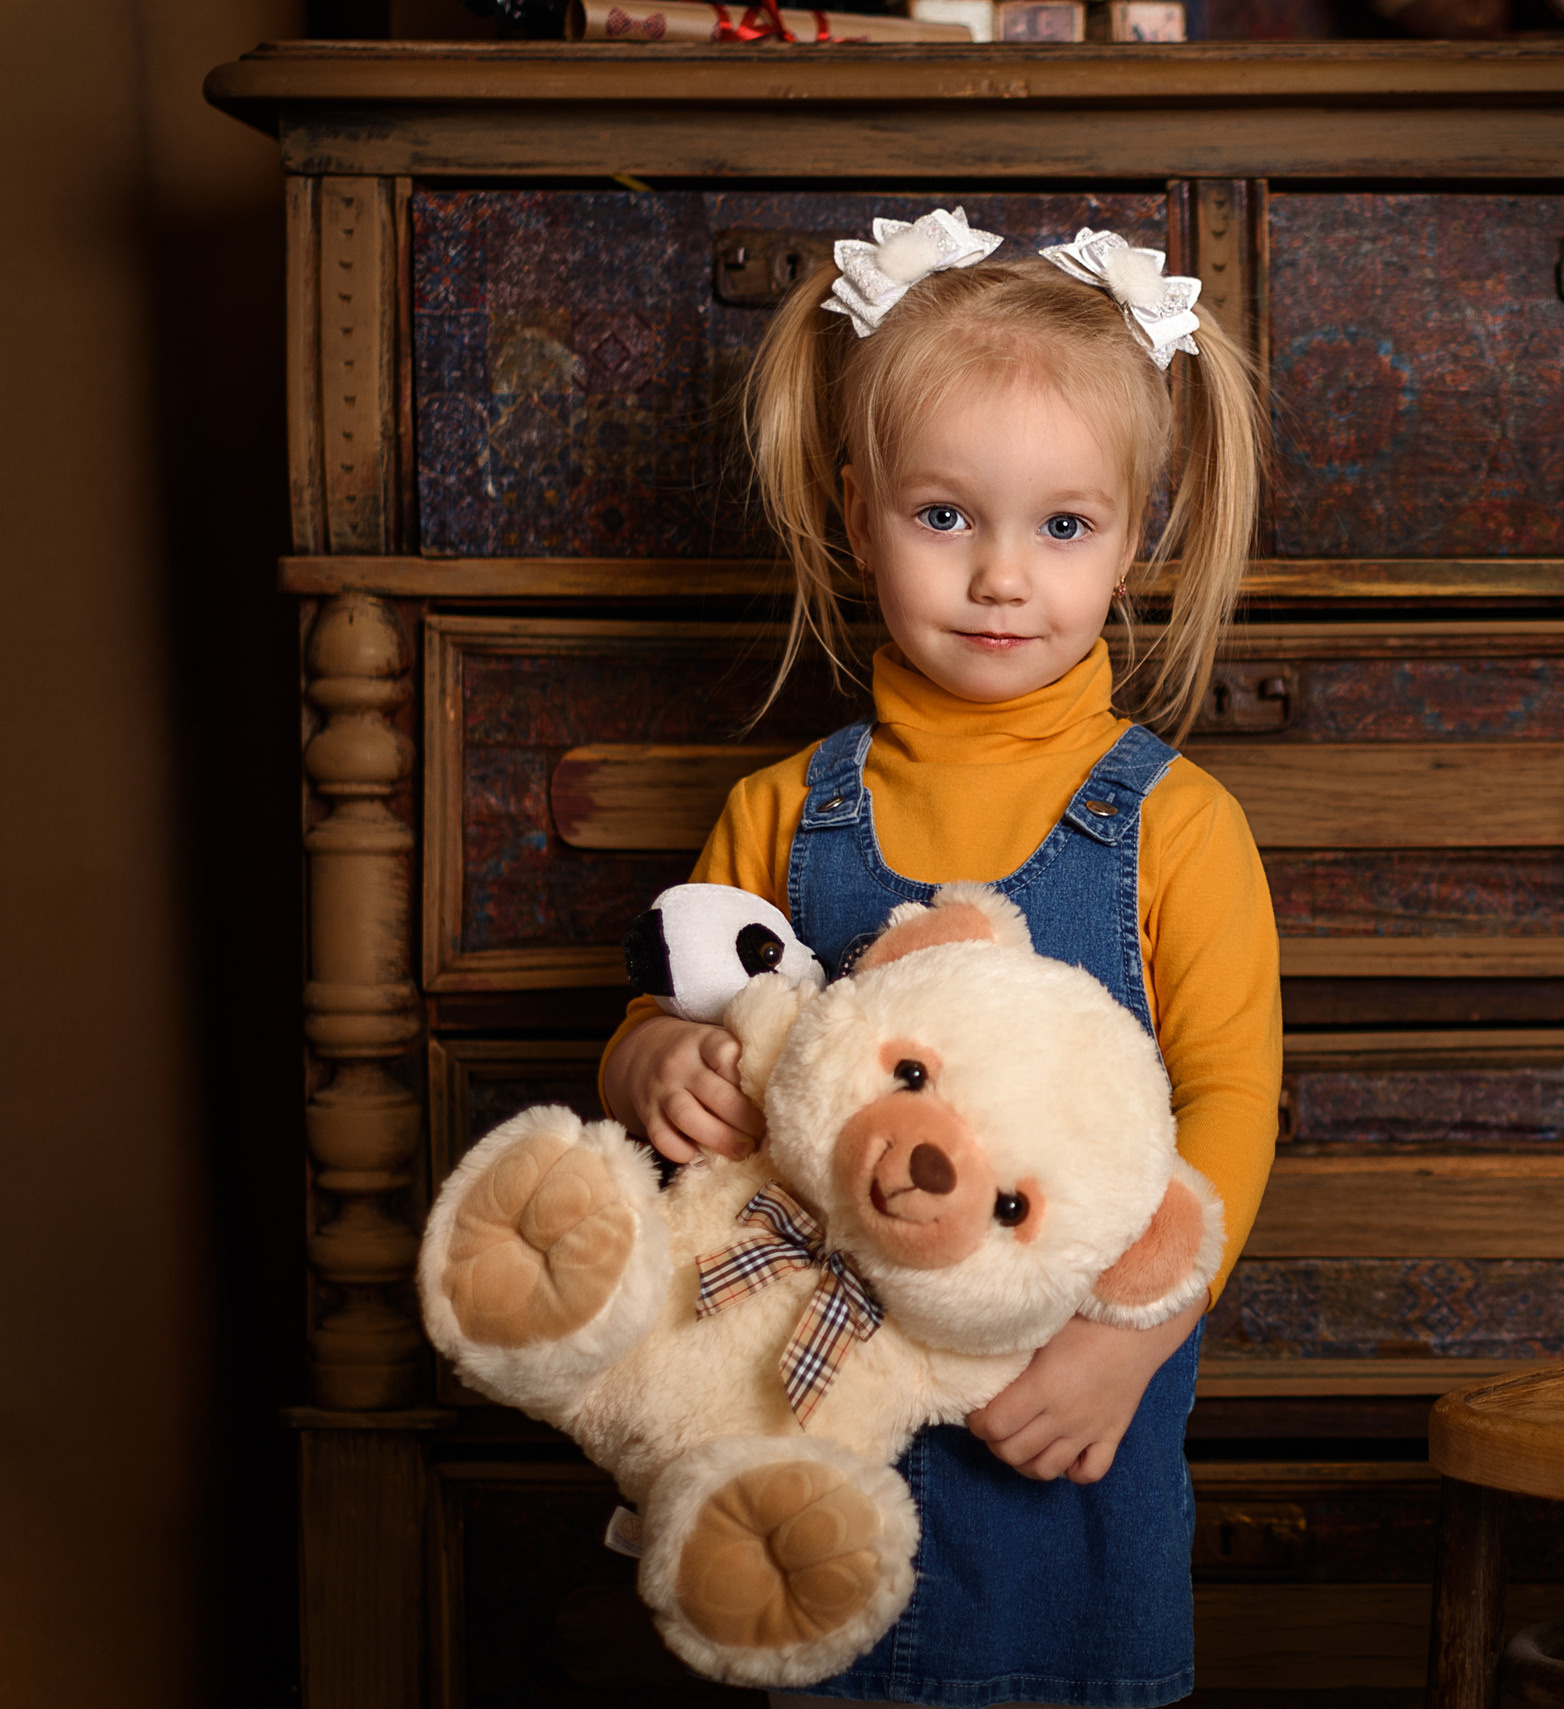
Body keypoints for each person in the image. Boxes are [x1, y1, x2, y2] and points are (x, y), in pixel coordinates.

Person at [596, 208, 1280, 1708]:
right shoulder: (782, 811)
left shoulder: (1176, 827)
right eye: (944, 515)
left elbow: (1230, 1109)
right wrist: (656, 1061)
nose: (999, 578)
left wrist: (1128, 1342)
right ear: (857, 514)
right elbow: (671, 1009)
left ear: (1136, 534)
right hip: (805, 1418)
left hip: (1060, 1444)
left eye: (1063, 525)